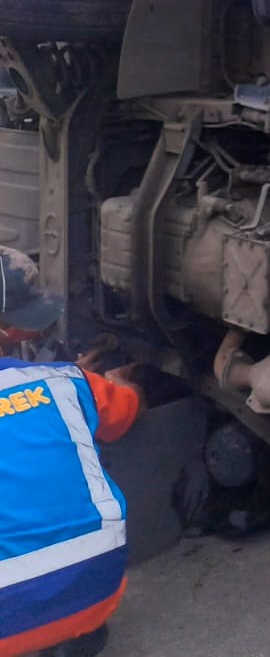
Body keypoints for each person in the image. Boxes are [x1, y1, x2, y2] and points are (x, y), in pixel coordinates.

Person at [0, 248, 142, 657]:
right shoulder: (70, 384)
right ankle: (70, 638)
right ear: (11, 331)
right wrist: (106, 383)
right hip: (95, 590)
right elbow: (128, 408)